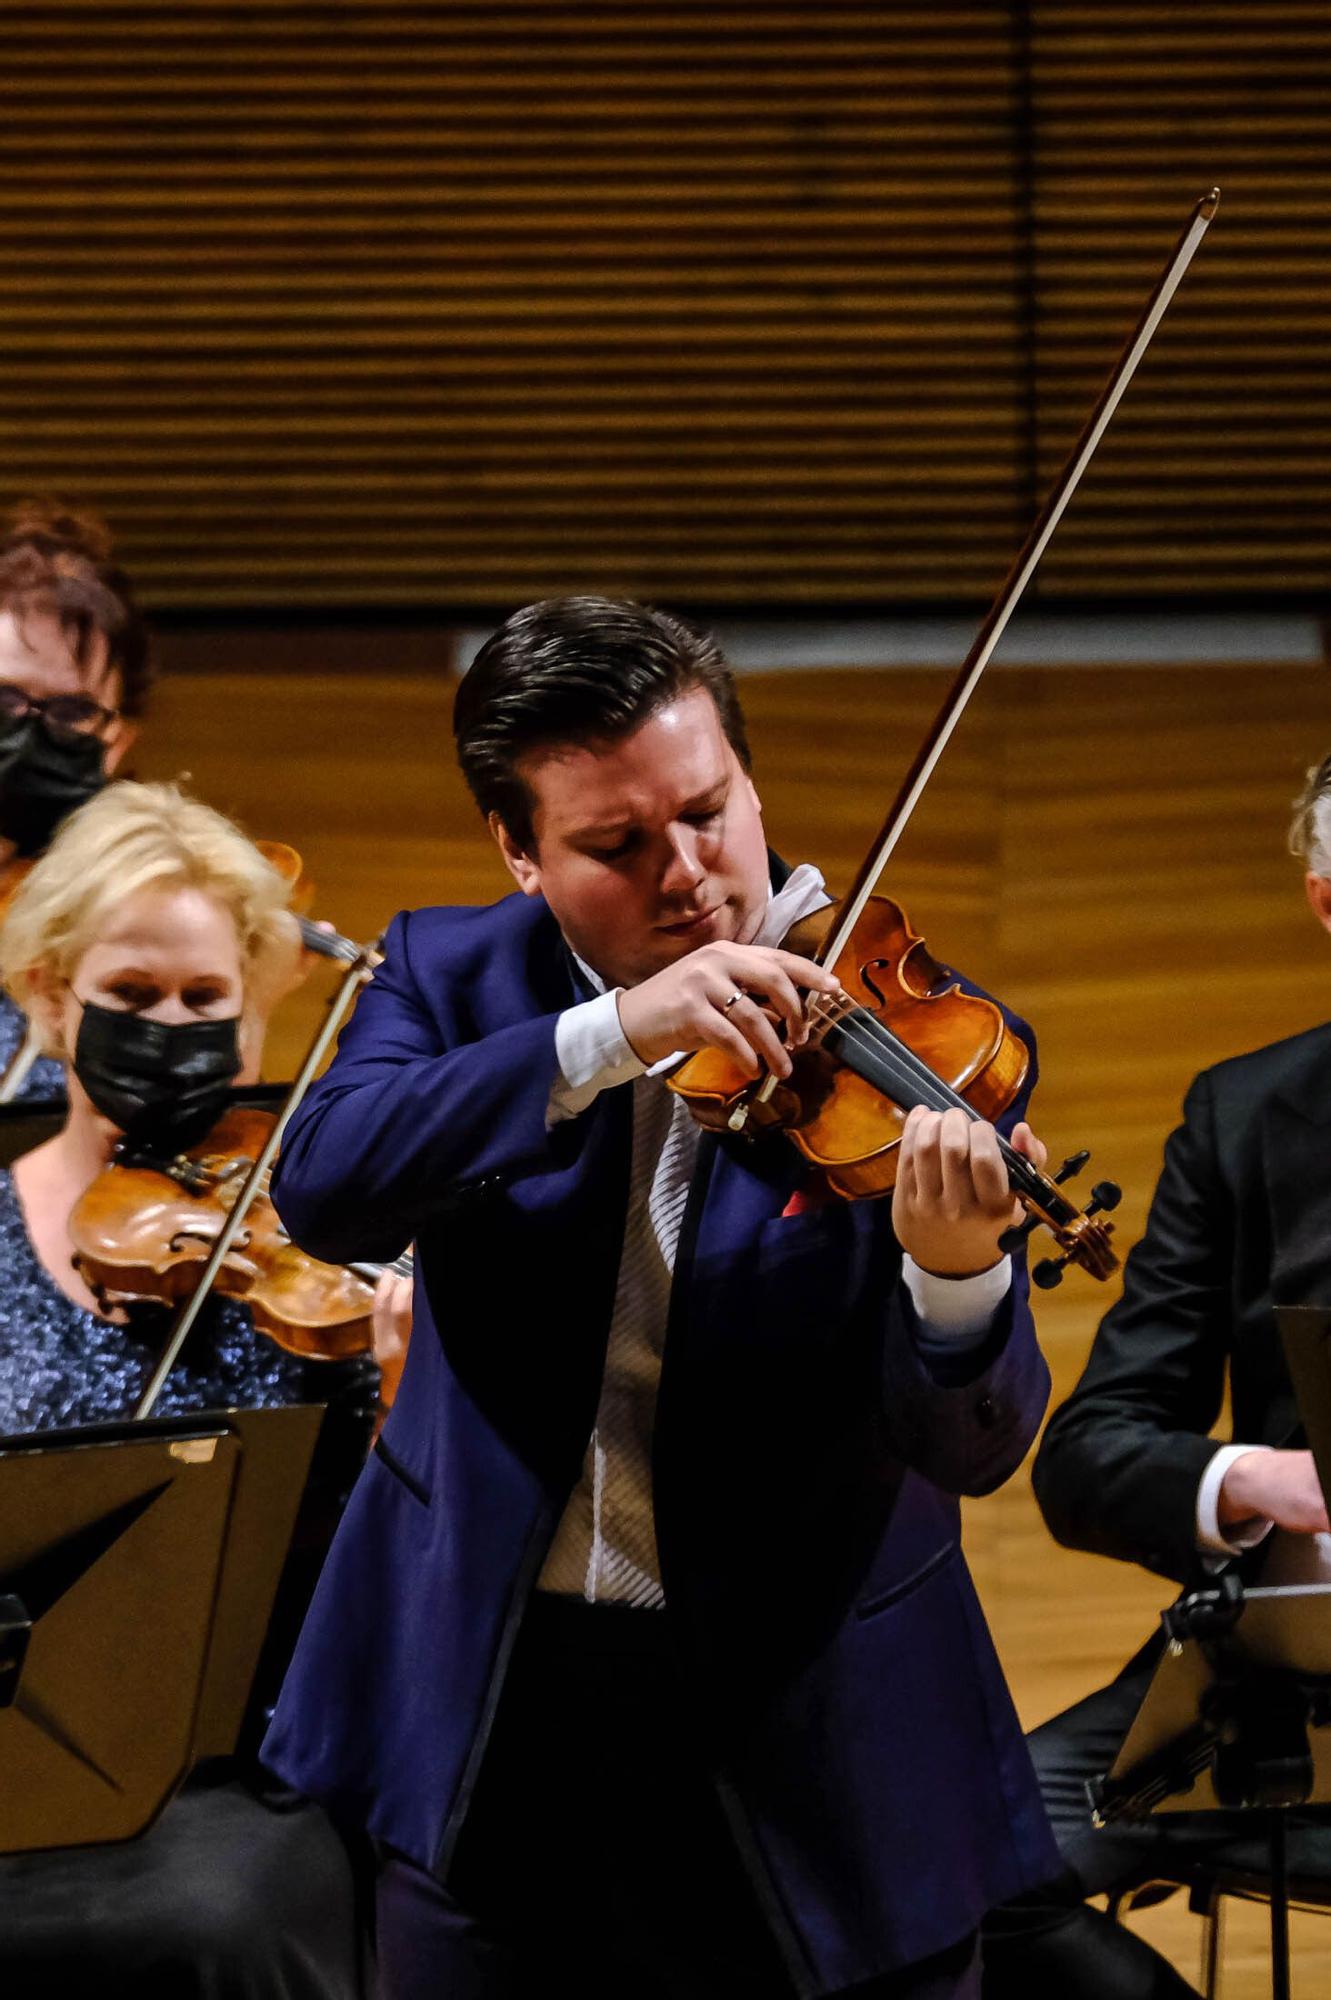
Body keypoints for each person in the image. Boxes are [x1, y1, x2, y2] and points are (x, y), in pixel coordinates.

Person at [262, 594, 1061, 2000]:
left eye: (710, 811)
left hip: (810, 1720)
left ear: (749, 779)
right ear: (517, 851)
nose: (690, 876)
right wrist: (613, 1030)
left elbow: (969, 1447)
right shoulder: (449, 978)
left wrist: (951, 1278)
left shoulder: (903, 1050)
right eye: (616, 848)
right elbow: (327, 1184)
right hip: (498, 1701)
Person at [0, 779, 409, 1997]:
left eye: (202, 1000)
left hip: (248, 1761)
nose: (169, 1027)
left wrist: (406, 1390)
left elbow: (388, 1554)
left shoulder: (312, 1238)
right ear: (49, 992)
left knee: (215, 1910)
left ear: (252, 1015)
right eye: (130, 996)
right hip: (21, 1747)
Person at [981, 751, 1331, 1998]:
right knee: (962, 1877)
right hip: (1280, 1684)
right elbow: (1090, 1453)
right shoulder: (1241, 1118)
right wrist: (1259, 1479)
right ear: (1323, 901)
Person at [0, 498, 153, 1100]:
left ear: (117, 739)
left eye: (71, 712)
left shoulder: (136, 916)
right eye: (3, 700)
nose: (27, 729)